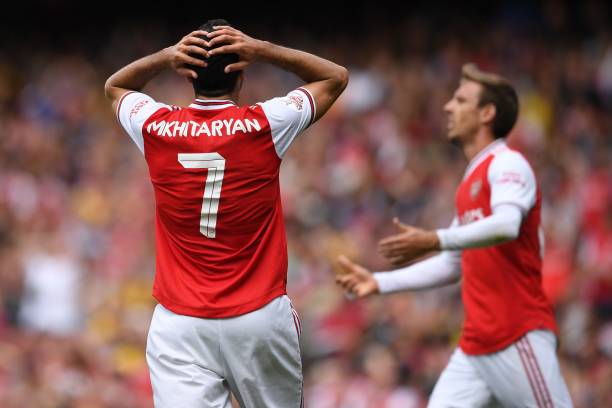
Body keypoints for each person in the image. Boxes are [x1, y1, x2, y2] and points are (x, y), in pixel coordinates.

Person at [104, 19, 348, 408]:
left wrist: (165, 57)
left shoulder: (156, 126)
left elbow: (115, 87)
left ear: (188, 76)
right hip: (259, 316)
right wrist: (264, 49)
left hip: (180, 323)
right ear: (240, 73)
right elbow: (334, 77)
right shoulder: (266, 123)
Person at [335, 64, 573, 407]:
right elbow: (451, 264)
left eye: (461, 100)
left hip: (516, 334)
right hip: (475, 345)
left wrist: (435, 238)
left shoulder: (508, 163)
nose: (448, 107)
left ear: (487, 113)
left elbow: (507, 224)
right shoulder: (470, 180)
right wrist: (379, 282)